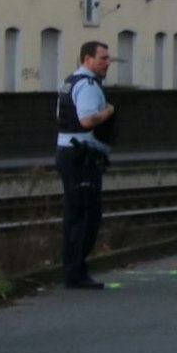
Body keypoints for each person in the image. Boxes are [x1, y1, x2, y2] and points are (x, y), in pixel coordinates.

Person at [56, 41, 117, 290]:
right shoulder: (88, 85)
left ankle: (73, 269)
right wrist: (109, 111)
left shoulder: (69, 81)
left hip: (68, 152)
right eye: (103, 58)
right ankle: (76, 272)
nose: (107, 62)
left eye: (108, 58)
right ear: (88, 59)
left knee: (74, 215)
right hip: (82, 156)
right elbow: (87, 119)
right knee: (88, 217)